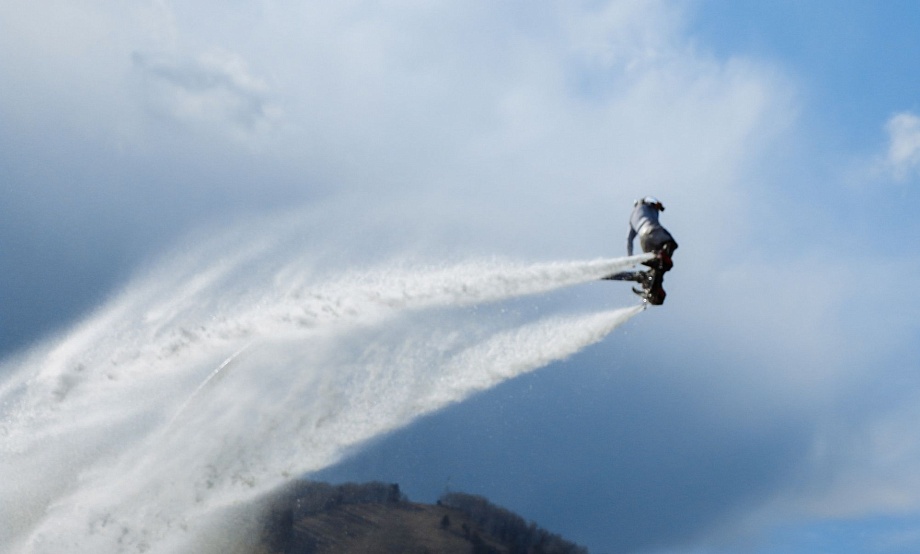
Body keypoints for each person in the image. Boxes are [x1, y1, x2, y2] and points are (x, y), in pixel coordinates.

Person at [627, 196, 678, 271]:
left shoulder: (632, 219)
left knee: (656, 262)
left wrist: (630, 258)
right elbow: (649, 199)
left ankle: (652, 277)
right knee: (671, 244)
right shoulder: (644, 204)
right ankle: (660, 258)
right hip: (653, 230)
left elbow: (628, 240)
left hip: (644, 240)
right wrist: (657, 203)